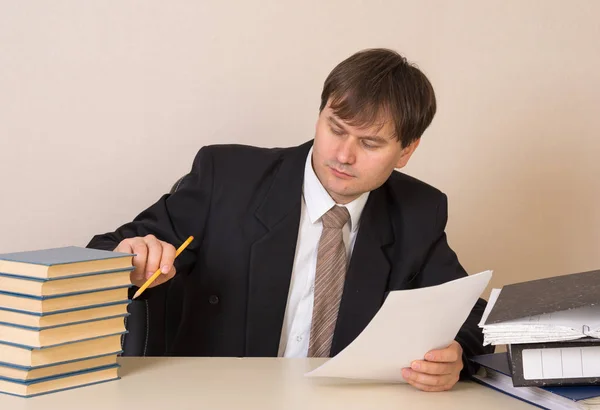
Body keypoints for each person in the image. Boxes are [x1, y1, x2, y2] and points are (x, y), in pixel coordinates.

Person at [87, 48, 493, 392]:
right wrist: (131, 256)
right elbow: (104, 250)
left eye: (370, 143)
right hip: (221, 396)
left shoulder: (417, 209)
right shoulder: (227, 177)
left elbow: (470, 317)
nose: (344, 155)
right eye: (336, 129)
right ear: (320, 116)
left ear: (406, 151)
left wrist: (456, 355)